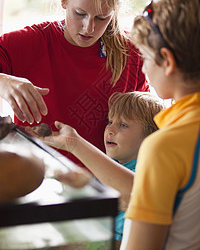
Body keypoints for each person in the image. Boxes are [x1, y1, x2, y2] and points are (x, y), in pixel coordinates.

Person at [41, 0, 200, 249]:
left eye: (146, 58)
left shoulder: (163, 147)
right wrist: (74, 143)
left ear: (167, 62)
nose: (145, 68)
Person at [0, 0, 149, 166]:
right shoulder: (31, 42)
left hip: (106, 185)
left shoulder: (132, 54)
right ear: (63, 0)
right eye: (80, 13)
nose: (88, 28)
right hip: (37, 176)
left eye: (101, 18)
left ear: (115, 11)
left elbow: (147, 129)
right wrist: (3, 82)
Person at [39, 91, 164, 249]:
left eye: (123, 125)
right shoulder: (108, 164)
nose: (110, 130)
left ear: (150, 137)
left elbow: (120, 241)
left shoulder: (142, 173)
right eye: (110, 122)